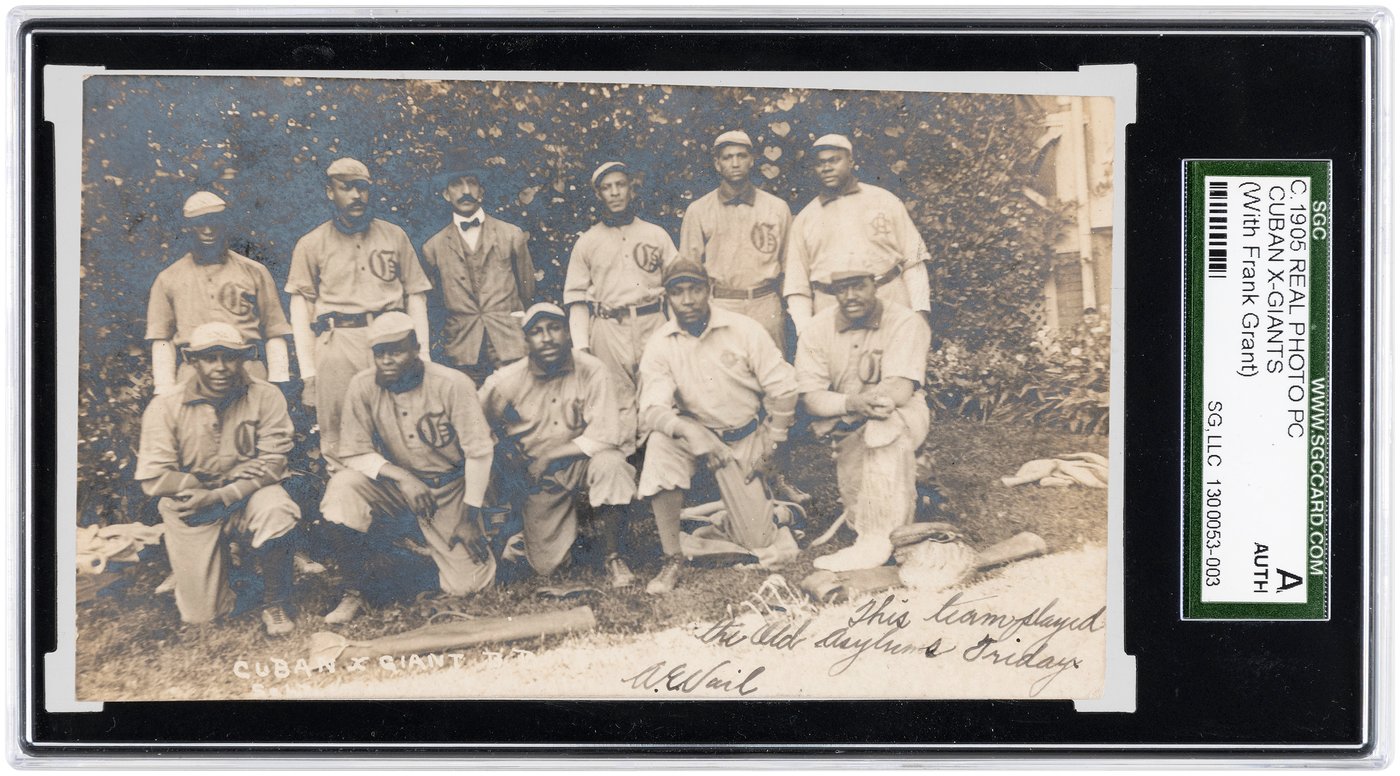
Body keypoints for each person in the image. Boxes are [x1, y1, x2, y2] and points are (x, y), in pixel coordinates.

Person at [317, 312, 496, 623]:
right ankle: (353, 591)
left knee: (470, 587)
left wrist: (470, 519)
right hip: (401, 487)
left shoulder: (451, 383)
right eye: (379, 353)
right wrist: (402, 477)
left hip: (452, 487)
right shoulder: (362, 385)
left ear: (416, 347)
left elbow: (480, 454)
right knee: (343, 487)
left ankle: (412, 561)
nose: (387, 360)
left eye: (396, 350)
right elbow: (354, 453)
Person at [636, 260, 798, 594]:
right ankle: (673, 557)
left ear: (709, 289)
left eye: (695, 289)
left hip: (743, 434)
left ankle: (778, 514)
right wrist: (693, 434)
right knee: (660, 445)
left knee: (758, 543)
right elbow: (652, 409)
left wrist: (773, 441)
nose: (688, 300)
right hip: (695, 433)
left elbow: (783, 387)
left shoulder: (744, 329)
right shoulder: (661, 343)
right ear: (667, 297)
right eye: (678, 292)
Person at [133, 322, 300, 636]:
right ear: (192, 360)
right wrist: (206, 485)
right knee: (202, 616)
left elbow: (275, 463)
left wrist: (224, 492)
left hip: (247, 497)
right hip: (194, 505)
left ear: (244, 358)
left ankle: (275, 601)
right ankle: (238, 578)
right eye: (210, 358)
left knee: (276, 507)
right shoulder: (166, 405)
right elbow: (153, 479)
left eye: (230, 357)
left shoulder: (265, 395)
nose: (221, 367)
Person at [284, 157, 434, 470]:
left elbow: (416, 296)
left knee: (404, 421)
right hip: (338, 342)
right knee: (340, 434)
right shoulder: (311, 243)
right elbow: (300, 308)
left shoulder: (394, 236)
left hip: (392, 339)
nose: (356, 195)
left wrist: (425, 355)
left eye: (362, 187)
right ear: (330, 191)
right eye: (346, 188)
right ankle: (346, 508)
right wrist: (309, 373)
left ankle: (402, 505)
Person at [478, 303, 639, 587]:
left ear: (567, 332)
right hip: (538, 478)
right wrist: (503, 449)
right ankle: (528, 535)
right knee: (546, 566)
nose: (547, 337)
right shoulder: (505, 380)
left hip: (580, 463)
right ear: (525, 340)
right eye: (537, 332)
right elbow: (473, 423)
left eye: (554, 328)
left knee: (612, 464)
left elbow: (606, 434)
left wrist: (551, 455)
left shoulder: (591, 369)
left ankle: (614, 556)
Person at [795, 271, 932, 572]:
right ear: (833, 292)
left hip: (903, 413)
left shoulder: (905, 321)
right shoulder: (817, 329)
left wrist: (847, 411)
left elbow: (900, 389)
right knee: (860, 511)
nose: (851, 296)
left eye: (859, 286)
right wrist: (850, 406)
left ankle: (879, 542)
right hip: (849, 420)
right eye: (842, 289)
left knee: (884, 428)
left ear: (876, 285)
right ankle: (912, 496)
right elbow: (811, 398)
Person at [562, 160, 678, 453]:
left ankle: (656, 461)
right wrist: (581, 348)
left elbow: (677, 285)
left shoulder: (656, 234)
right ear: (599, 194)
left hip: (653, 321)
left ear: (631, 189)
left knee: (658, 390)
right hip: (608, 326)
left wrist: (679, 329)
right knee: (617, 398)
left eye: (620, 185)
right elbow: (576, 299)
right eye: (606, 187)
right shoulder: (587, 242)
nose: (614, 193)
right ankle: (627, 466)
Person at [145, 191, 292, 395]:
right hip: (193, 375)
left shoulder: (254, 272)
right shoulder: (168, 278)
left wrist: (278, 382)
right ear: (187, 228)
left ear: (226, 225)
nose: (208, 230)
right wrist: (163, 389)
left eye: (214, 222)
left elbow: (274, 331)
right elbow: (162, 339)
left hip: (247, 371)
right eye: (199, 224)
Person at [784, 134, 933, 335]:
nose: (826, 167)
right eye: (820, 163)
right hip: (832, 311)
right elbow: (797, 286)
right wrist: (805, 330)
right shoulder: (805, 219)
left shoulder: (884, 201)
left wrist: (919, 313)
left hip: (889, 302)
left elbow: (913, 263)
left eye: (834, 160)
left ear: (851, 161)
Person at [421, 149, 537, 385]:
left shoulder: (511, 235)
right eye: (456, 184)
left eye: (471, 183)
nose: (465, 191)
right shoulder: (433, 248)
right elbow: (434, 304)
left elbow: (527, 290)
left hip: (509, 343)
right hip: (462, 348)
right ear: (446, 194)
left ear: (481, 191)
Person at [677, 130, 791, 347]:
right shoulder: (699, 210)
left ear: (752, 160)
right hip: (721, 305)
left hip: (765, 304)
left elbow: (789, 265)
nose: (735, 163)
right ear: (717, 164)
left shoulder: (776, 208)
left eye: (741, 156)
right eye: (728, 157)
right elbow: (689, 271)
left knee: (772, 374)